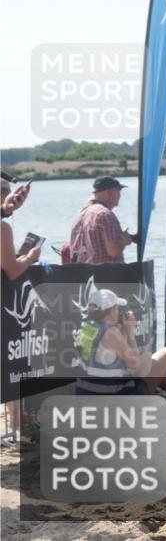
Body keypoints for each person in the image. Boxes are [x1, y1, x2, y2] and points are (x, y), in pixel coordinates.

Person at [76, 286, 166, 407]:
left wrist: (123, 331)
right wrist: (130, 332)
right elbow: (135, 365)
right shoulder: (111, 334)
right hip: (111, 402)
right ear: (110, 311)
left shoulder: (85, 327)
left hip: (87, 396)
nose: (119, 311)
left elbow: (109, 357)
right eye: (116, 308)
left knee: (152, 364)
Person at [1, 179, 39, 447]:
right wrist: (30, 257)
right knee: (10, 364)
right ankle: (15, 428)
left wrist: (7, 209)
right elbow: (12, 270)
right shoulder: (3, 228)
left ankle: (14, 426)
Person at [68, 176, 133, 264]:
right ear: (109, 192)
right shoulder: (105, 214)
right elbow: (113, 250)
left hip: (82, 272)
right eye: (118, 190)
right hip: (105, 272)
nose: (120, 195)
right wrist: (124, 240)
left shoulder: (81, 215)